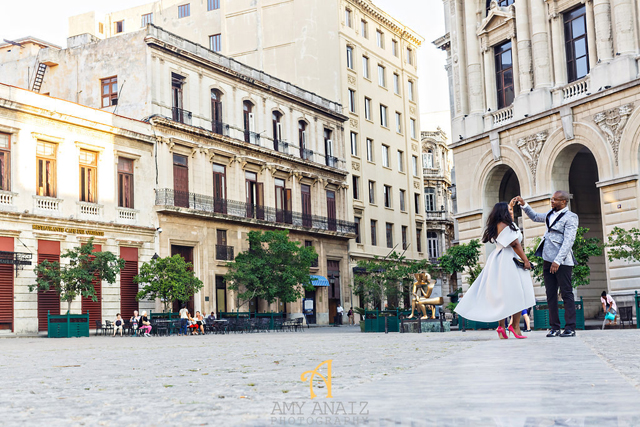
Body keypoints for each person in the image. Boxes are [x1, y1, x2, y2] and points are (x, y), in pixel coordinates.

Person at [454, 201, 536, 339]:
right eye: (508, 210)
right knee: (517, 292)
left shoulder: (499, 225)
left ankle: (501, 327)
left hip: (500, 260)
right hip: (509, 260)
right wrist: (526, 261)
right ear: (502, 212)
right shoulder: (505, 226)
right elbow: (515, 244)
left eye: (511, 209)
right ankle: (514, 326)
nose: (511, 212)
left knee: (503, 294)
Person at [515, 191, 579, 337]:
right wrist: (524, 205)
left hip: (562, 261)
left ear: (563, 202)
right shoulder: (550, 214)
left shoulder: (571, 217)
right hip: (547, 258)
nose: (552, 201)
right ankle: (554, 327)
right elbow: (535, 217)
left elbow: (569, 241)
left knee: (566, 293)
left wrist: (558, 260)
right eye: (551, 199)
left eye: (555, 200)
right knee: (550, 294)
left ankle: (570, 327)